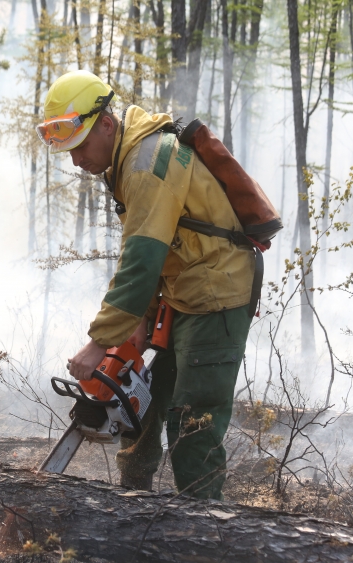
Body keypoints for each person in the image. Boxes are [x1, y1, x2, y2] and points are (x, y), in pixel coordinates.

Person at [36, 70, 255, 500]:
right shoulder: (129, 158)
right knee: (140, 408)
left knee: (192, 426)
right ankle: (132, 510)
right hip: (180, 292)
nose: (76, 160)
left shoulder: (145, 164)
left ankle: (207, 526)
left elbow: (141, 261)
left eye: (79, 147)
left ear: (105, 123)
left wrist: (99, 343)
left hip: (215, 296)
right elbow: (157, 248)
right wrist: (139, 321)